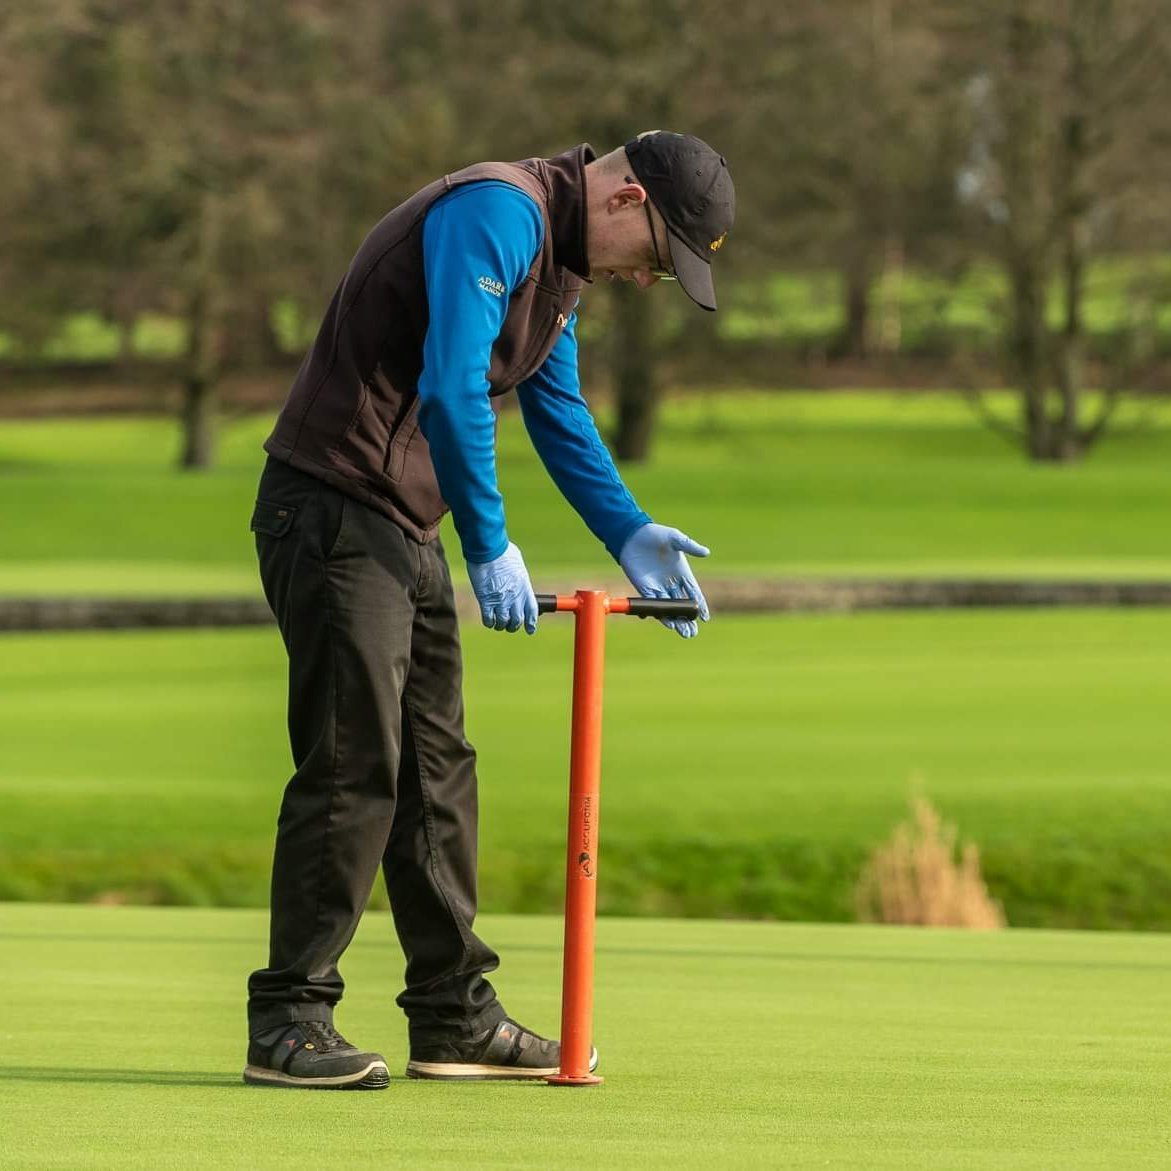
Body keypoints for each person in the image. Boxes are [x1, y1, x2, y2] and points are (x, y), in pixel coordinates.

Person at [242, 131, 735, 1089]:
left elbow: (558, 411)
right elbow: (450, 384)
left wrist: (628, 532)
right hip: (330, 506)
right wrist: (489, 540)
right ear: (627, 199)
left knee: (436, 767)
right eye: (658, 259)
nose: (647, 280)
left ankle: (452, 1016)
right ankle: (289, 1020)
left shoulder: (556, 264)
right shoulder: (495, 213)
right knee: (357, 760)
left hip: (398, 522)